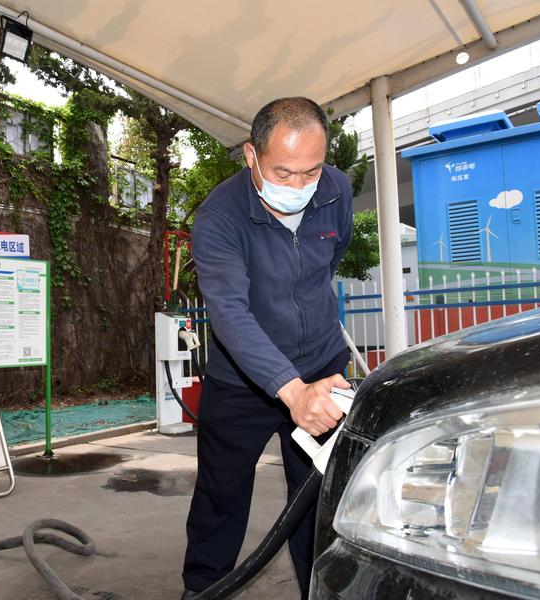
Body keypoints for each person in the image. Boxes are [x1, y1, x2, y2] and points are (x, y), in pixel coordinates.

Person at [181, 97, 354, 599]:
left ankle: (319, 592)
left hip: (322, 371)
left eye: (312, 171)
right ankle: (202, 591)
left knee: (318, 500)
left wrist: (310, 386)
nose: (300, 186)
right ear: (250, 156)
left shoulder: (337, 190)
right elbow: (230, 313)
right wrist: (289, 390)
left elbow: (329, 260)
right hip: (242, 382)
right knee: (222, 495)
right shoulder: (219, 217)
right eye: (284, 172)